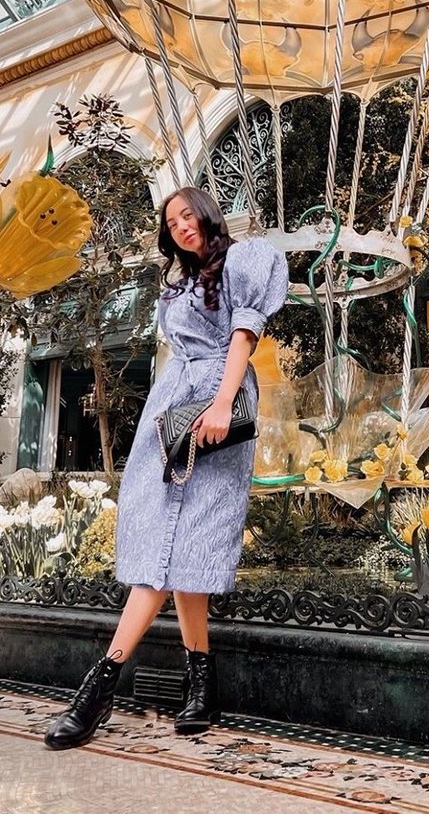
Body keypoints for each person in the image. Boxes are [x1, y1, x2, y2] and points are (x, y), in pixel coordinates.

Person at [44, 187, 288, 749]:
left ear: (207, 214)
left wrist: (223, 403)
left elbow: (243, 338)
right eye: (171, 221)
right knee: (170, 545)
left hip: (218, 406)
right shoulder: (176, 284)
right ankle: (201, 685)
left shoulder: (243, 261)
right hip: (172, 411)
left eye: (187, 215)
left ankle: (98, 687)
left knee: (183, 544)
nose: (180, 226)